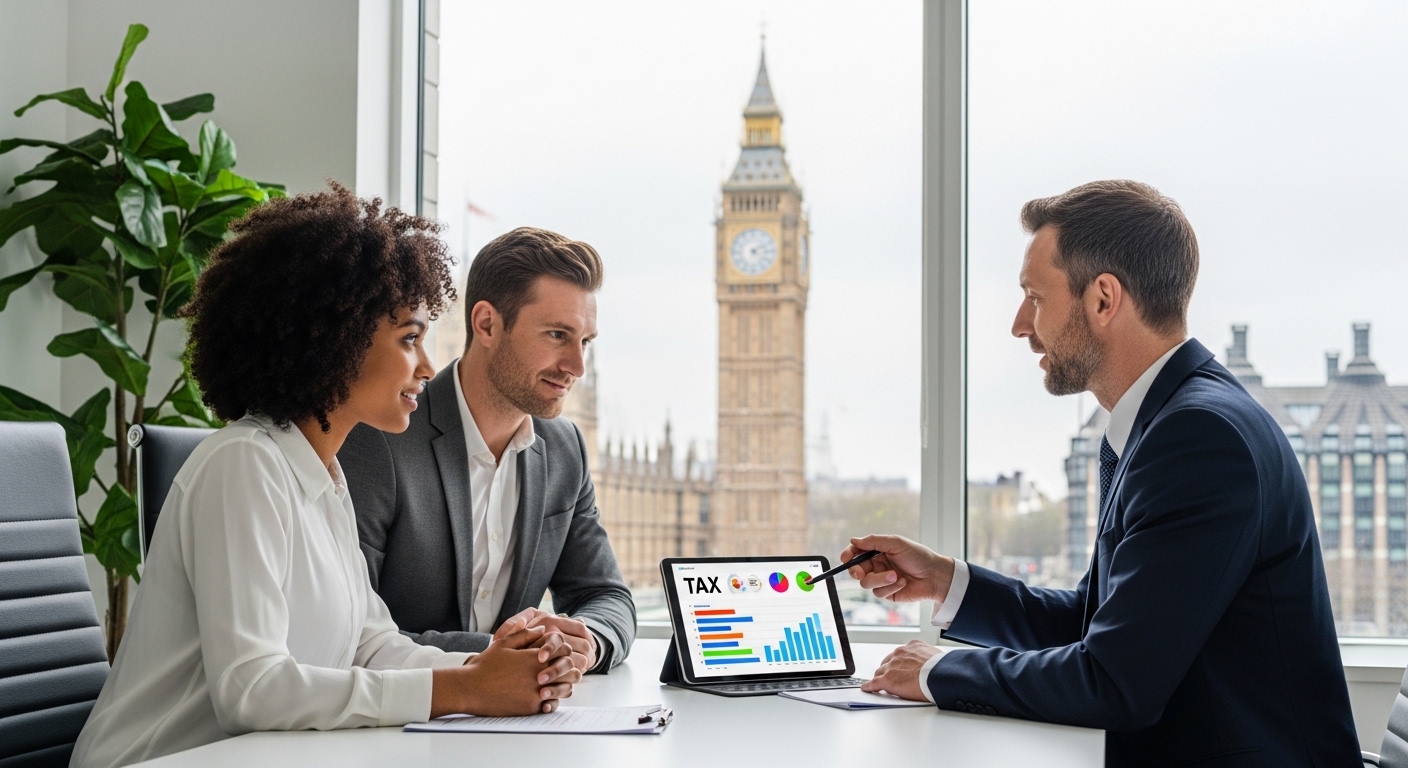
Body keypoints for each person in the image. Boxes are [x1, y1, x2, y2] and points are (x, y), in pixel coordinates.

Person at [849, 181, 1359, 766]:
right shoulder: (1167, 423)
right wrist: (946, 579)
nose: (1020, 325)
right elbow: (1094, 625)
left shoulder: (1199, 439)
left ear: (1103, 299)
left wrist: (941, 670)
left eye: (1035, 298)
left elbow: (1115, 683)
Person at [72, 187, 581, 768]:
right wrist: (463, 690)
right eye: (409, 339)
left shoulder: (324, 477)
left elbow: (370, 645)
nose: (426, 367)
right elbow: (253, 690)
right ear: (337, 337)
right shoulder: (245, 466)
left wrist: (492, 666)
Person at [338, 226, 634, 675]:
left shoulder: (564, 448)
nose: (577, 367)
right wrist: (508, 653)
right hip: (398, 721)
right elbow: (350, 628)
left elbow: (608, 597)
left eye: (585, 342)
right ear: (487, 324)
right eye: (557, 335)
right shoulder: (381, 437)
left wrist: (585, 641)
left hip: (518, 723)